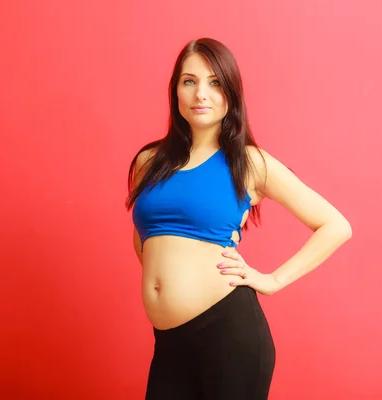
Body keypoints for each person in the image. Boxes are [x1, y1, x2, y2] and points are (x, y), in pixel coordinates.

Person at [126, 38, 352, 400]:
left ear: (231, 92)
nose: (201, 93)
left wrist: (274, 279)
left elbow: (336, 226)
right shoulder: (148, 162)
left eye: (215, 82)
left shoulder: (249, 163)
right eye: (189, 81)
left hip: (229, 335)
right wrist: (168, 283)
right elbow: (146, 238)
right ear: (176, 92)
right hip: (168, 343)